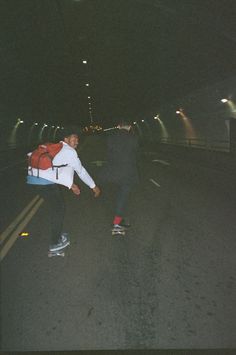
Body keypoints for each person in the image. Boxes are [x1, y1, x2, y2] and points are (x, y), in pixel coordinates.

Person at [26, 127, 101, 252]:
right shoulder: (69, 152)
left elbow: (56, 168)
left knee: (57, 207)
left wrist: (71, 185)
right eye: (74, 138)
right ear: (66, 139)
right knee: (58, 209)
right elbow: (81, 171)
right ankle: (54, 243)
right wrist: (94, 186)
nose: (77, 141)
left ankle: (57, 236)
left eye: (77, 138)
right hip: (43, 183)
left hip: (33, 179)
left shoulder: (58, 147)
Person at [98, 120, 139, 232]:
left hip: (111, 172)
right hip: (127, 173)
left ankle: (117, 215)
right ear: (130, 127)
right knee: (123, 197)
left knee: (115, 194)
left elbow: (109, 152)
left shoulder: (110, 138)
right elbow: (135, 154)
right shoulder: (134, 139)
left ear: (118, 126)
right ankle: (116, 223)